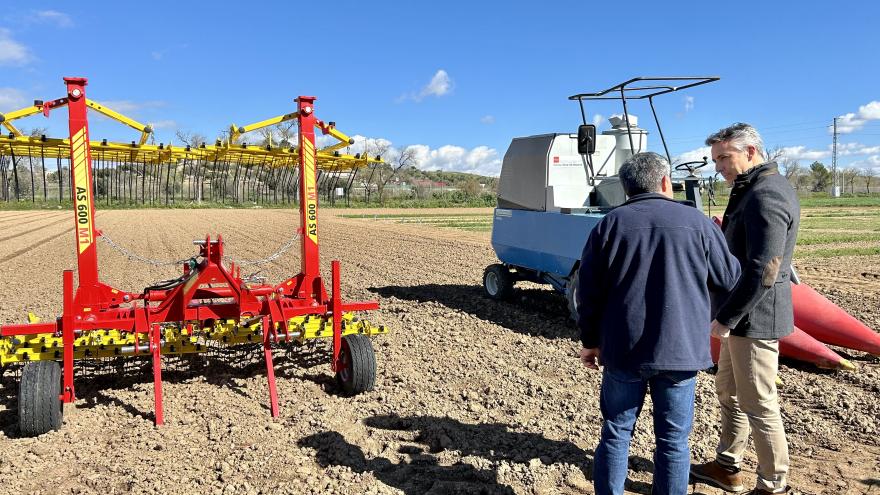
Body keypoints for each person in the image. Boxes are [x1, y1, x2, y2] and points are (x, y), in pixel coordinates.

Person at [577, 152, 741, 495]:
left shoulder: (608, 225)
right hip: (680, 351)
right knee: (673, 442)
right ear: (666, 182)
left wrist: (590, 341)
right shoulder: (697, 223)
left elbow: (588, 293)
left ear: (625, 189)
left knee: (616, 433)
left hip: (623, 351)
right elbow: (728, 278)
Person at [690, 123, 800, 494]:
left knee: (759, 404)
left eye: (724, 157)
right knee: (730, 393)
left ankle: (774, 484)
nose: (718, 166)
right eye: (715, 159)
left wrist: (727, 317)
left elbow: (764, 269)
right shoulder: (749, 189)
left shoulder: (766, 193)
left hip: (755, 319)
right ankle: (727, 466)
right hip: (742, 318)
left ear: (750, 151)